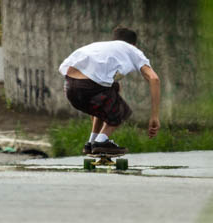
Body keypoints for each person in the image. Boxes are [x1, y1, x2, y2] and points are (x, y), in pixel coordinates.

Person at [58, 26, 160, 155]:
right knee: (122, 110)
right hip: (89, 86)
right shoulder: (132, 50)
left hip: (70, 88)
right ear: (133, 44)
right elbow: (154, 78)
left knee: (111, 90)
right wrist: (154, 116)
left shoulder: (100, 47)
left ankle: (92, 142)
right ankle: (101, 141)